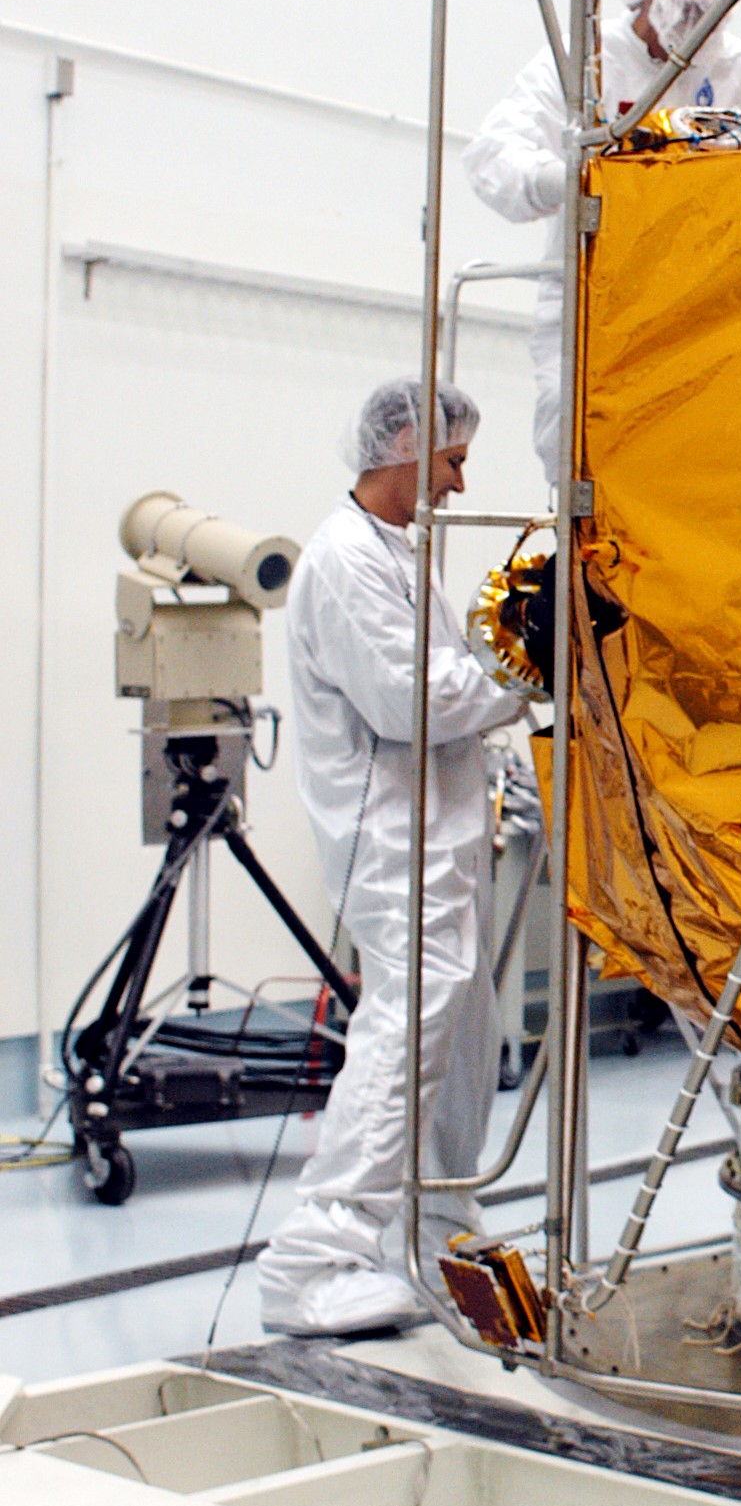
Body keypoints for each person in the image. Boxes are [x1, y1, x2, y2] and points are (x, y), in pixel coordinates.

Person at [259, 380, 526, 1338]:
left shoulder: (394, 553)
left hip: (443, 839)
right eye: (451, 462)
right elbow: (414, 704)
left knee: (462, 1039)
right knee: (405, 1038)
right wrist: (522, 668)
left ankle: (436, 1225)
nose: (458, 485)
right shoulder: (343, 562)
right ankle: (311, 1259)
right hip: (395, 847)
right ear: (404, 447)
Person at [465, 0, 741, 483]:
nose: (708, 2)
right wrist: (580, 179)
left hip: (702, 311)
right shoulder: (584, 59)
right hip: (593, 304)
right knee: (583, 460)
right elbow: (492, 157)